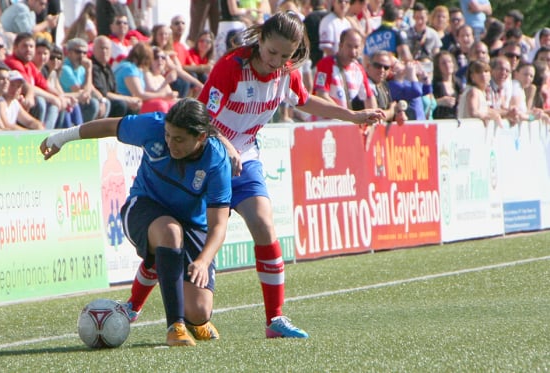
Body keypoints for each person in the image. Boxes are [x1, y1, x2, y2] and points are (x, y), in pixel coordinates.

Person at [122, 11, 384, 339]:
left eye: (286, 55)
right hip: (208, 159)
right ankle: (132, 305)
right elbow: (202, 119)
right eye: (272, 52)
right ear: (260, 40)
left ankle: (274, 319)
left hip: (245, 159)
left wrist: (350, 115)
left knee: (263, 223)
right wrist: (227, 147)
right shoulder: (232, 67)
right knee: (170, 240)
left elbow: (305, 101)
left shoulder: (287, 72)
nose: (277, 61)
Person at [39, 98, 232, 347]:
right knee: (169, 233)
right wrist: (60, 138)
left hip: (191, 222)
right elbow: (109, 127)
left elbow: (218, 224)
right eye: (168, 135)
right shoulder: (152, 127)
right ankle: (175, 326)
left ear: (201, 137)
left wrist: (203, 261)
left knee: (199, 311)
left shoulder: (217, 160)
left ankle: (175, 309)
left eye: (179, 139)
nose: (170, 144)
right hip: (142, 207)